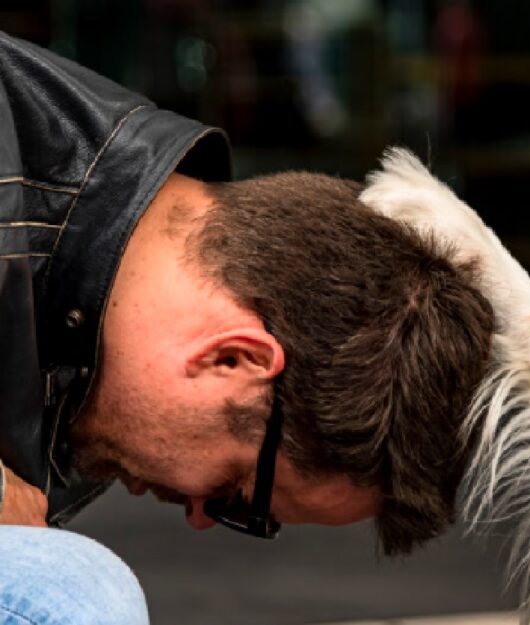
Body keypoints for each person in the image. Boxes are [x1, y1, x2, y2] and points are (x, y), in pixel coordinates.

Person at [0, 31, 493, 624]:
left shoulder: (75, 365)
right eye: (237, 495)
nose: (199, 516)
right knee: (72, 595)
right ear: (234, 358)